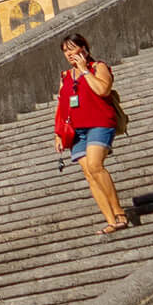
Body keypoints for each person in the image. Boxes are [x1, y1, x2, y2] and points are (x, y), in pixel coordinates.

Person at [54, 31, 128, 233]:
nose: (69, 55)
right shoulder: (65, 76)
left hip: (100, 123)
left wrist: (85, 70)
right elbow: (62, 106)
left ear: (84, 49)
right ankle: (110, 220)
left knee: (96, 165)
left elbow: (102, 90)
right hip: (76, 131)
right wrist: (58, 134)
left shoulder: (98, 67)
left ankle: (120, 213)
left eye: (72, 49)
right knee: (89, 174)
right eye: (65, 51)